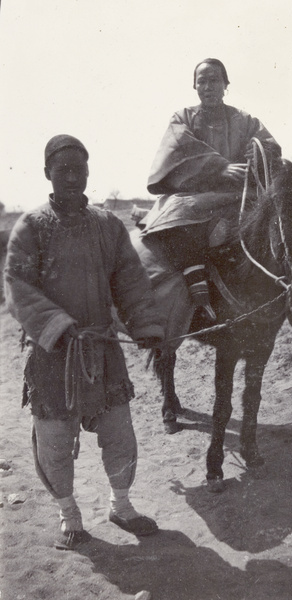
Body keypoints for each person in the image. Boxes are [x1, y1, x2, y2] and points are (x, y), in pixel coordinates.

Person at [4, 134, 165, 550]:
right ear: (48, 175)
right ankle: (69, 515)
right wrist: (57, 326)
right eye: (64, 170)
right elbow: (17, 285)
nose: (73, 177)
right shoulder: (31, 227)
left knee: (119, 433)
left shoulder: (108, 225)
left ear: (89, 172)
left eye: (80, 169)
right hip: (53, 354)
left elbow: (129, 279)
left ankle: (122, 506)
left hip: (103, 349)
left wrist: (145, 325)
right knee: (55, 440)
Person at [142, 58, 281, 319]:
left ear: (226, 84)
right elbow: (179, 147)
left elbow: (270, 144)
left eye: (214, 80)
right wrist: (218, 167)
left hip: (238, 195)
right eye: (202, 81)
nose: (208, 86)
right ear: (194, 86)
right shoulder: (182, 117)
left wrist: (261, 150)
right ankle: (195, 282)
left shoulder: (245, 119)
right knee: (177, 220)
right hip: (193, 195)